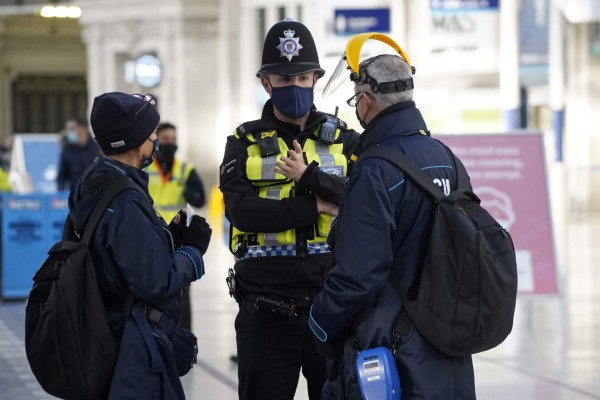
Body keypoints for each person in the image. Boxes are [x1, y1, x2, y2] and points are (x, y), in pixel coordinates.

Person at [308, 34, 476, 399]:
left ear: (366, 102)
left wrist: (319, 320)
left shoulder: (375, 170)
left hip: (391, 351)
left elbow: (358, 273)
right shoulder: (448, 158)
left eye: (355, 101)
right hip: (447, 345)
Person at [219, 18, 359, 400]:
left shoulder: (345, 139)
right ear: (266, 83)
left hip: (331, 306)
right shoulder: (242, 143)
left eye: (301, 78)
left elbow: (363, 200)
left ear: (315, 77)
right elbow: (242, 212)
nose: (293, 87)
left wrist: (312, 178)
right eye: (283, 80)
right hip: (265, 310)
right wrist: (313, 205)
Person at [69, 92, 212, 399]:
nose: (155, 143)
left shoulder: (92, 181)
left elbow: (119, 253)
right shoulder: (124, 199)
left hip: (102, 332)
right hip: (132, 345)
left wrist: (169, 237)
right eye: (151, 135)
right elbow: (156, 282)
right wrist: (193, 250)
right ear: (135, 142)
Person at [148, 121, 206, 330]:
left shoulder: (184, 169)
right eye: (165, 139)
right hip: (150, 234)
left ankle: (182, 335)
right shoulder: (145, 167)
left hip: (176, 236)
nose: (170, 143)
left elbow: (200, 199)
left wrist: (188, 192)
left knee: (182, 287)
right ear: (157, 140)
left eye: (173, 139)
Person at [57, 117, 99, 191]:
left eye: (72, 129)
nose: (69, 132)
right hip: (75, 195)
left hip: (96, 193)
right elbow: (61, 177)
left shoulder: (97, 149)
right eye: (68, 129)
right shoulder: (67, 150)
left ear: (83, 129)